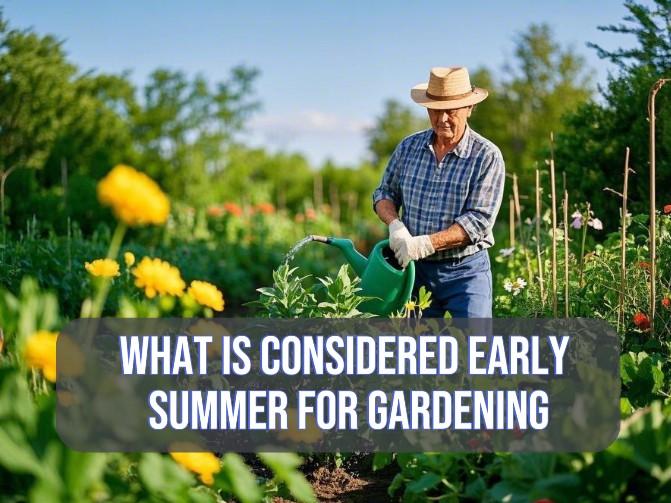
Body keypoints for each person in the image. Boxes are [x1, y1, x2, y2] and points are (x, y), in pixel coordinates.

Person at [373, 66, 505, 318]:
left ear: (469, 109)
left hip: (465, 271)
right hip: (415, 271)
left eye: (451, 110)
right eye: (435, 110)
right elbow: (384, 193)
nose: (442, 118)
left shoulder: (486, 156)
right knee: (416, 352)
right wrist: (395, 226)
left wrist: (426, 243)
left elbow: (478, 221)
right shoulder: (409, 148)